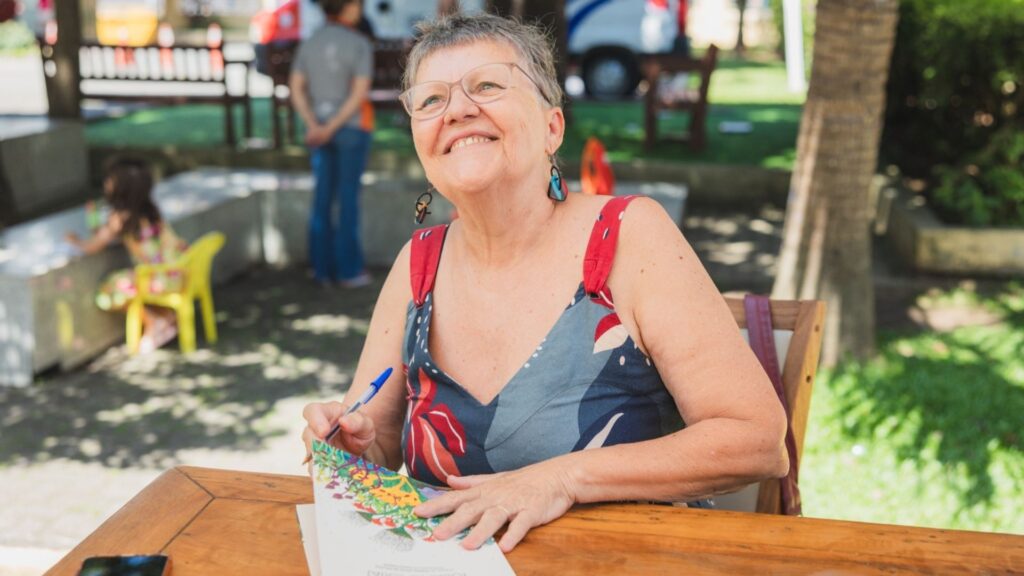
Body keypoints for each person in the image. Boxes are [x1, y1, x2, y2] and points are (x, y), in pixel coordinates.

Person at [301, 13, 787, 553]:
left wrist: (558, 479)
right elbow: (378, 441)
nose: (458, 110)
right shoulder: (417, 263)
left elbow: (756, 439)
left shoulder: (628, 236)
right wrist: (348, 447)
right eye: (431, 99)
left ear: (552, 126)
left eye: (486, 85)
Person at [290, 0, 374, 288]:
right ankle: (349, 271)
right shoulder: (358, 44)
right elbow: (359, 93)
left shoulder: (310, 42)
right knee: (348, 199)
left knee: (322, 199)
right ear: (349, 7)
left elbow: (296, 88)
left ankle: (321, 269)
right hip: (351, 130)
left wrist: (315, 125)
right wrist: (333, 127)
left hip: (318, 131)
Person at [65, 157, 186, 353]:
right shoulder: (149, 209)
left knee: (108, 291)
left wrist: (73, 240)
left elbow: (92, 247)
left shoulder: (119, 217)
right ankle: (167, 317)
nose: (106, 183)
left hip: (157, 279)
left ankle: (154, 321)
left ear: (121, 187)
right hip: (178, 272)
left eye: (109, 179)